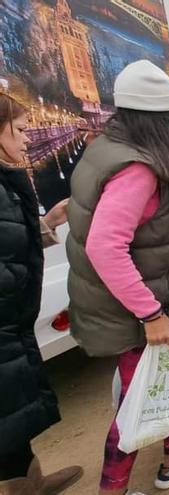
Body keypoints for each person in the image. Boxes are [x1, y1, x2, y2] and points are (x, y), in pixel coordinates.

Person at [65, 60, 169, 494]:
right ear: (157, 121)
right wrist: (150, 314)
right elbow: (103, 247)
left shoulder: (106, 148)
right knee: (138, 403)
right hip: (138, 309)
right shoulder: (138, 168)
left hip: (148, 300)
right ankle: (113, 488)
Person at [1, 93, 83, 494]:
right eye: (18, 130)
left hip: (11, 319)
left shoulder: (6, 181)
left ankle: (30, 481)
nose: (27, 139)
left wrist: (47, 223)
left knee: (14, 411)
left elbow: (11, 240)